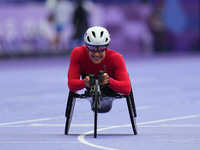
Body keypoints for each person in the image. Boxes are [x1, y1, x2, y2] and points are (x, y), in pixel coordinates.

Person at [67, 26, 131, 112]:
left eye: (101, 49)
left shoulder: (116, 57)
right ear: (86, 46)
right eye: (92, 48)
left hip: (110, 88)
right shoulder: (78, 53)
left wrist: (109, 81)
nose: (96, 54)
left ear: (106, 46)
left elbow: (127, 89)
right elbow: (71, 85)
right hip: (89, 85)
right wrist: (84, 82)